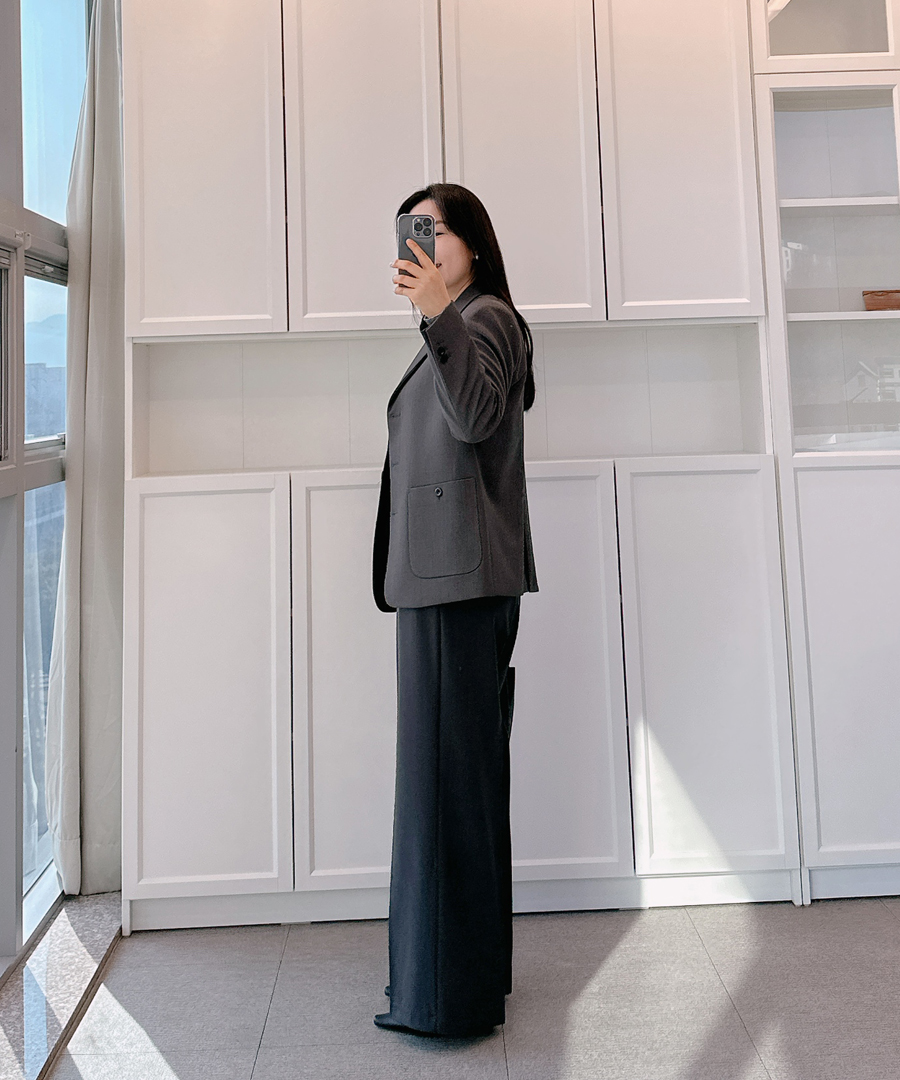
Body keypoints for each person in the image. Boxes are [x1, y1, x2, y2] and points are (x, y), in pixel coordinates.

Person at [371, 183, 539, 1037]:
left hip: (459, 582)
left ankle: (443, 1002)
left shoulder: (487, 318)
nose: (422, 243)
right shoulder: (462, 323)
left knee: (445, 789)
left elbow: (474, 419)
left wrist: (439, 312)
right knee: (456, 783)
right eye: (412, 232)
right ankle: (456, 986)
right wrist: (438, 318)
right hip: (449, 578)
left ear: (472, 239)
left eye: (434, 229)